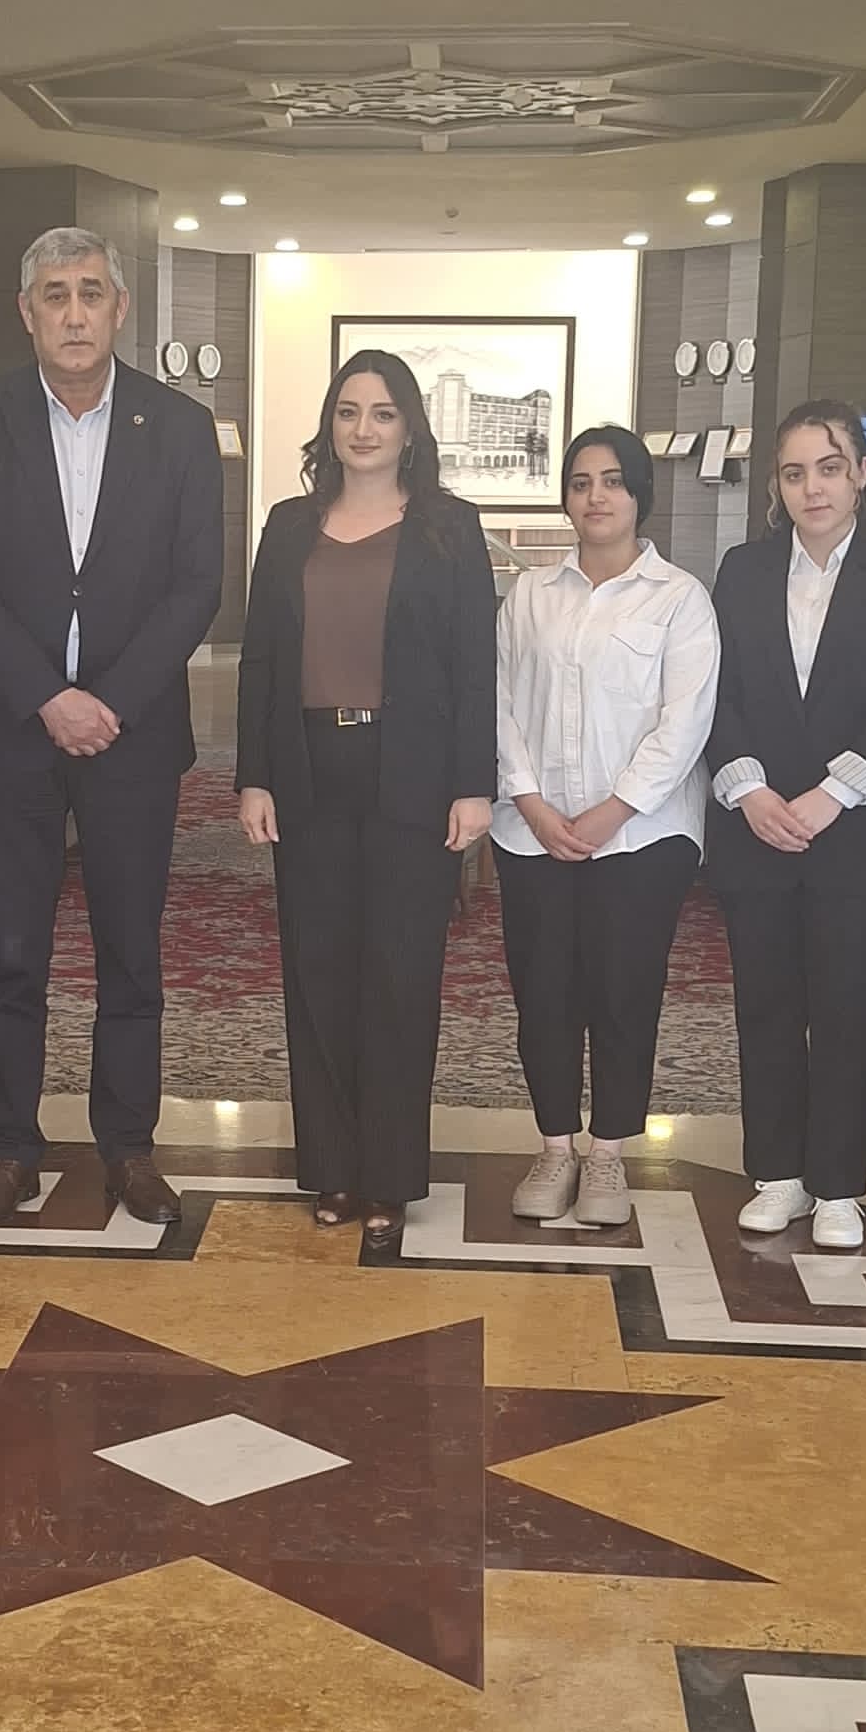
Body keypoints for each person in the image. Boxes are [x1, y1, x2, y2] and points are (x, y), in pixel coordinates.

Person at [0, 227, 223, 1231]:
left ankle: (128, 1148)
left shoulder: (179, 428)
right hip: (13, 729)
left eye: (90, 292)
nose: (73, 312)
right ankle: (10, 1151)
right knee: (11, 952)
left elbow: (197, 584)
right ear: (27, 313)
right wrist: (46, 697)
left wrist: (113, 700)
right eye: (53, 294)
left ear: (119, 309)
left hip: (132, 735)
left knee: (129, 951)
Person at [239, 349, 499, 1260]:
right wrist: (254, 775)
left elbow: (475, 663)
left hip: (412, 773)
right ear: (329, 424)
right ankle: (334, 1167)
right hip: (308, 769)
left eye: (383, 413)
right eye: (348, 411)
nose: (364, 429)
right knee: (317, 973)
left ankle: (388, 1174)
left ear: (409, 428)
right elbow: (261, 657)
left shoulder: (449, 528)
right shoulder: (288, 525)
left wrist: (474, 783)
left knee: (399, 975)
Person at [707, 403, 866, 1252]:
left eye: (831, 467)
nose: (814, 487)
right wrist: (749, 789)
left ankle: (839, 1186)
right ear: (777, 486)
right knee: (766, 1006)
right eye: (796, 472)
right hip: (757, 826)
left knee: (845, 1012)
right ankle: (778, 1175)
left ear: (861, 476)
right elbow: (713, 691)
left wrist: (834, 794)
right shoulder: (742, 571)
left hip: (854, 833)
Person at [491, 423, 719, 1232]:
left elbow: (685, 722)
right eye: (582, 482)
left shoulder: (680, 599)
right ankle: (555, 1147)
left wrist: (613, 809)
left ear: (639, 494)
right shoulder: (530, 595)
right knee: (544, 994)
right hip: (533, 832)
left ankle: (610, 1151)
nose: (597, 497)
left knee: (624, 993)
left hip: (642, 837)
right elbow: (498, 702)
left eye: (613, 481)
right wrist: (529, 801)